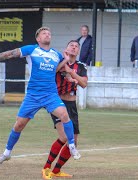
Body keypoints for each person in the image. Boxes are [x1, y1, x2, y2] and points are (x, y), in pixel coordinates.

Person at [0, 27, 81, 168]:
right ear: (38, 38)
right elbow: (9, 54)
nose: (47, 34)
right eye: (44, 33)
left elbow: (62, 70)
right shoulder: (31, 50)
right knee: (19, 125)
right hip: (33, 95)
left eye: (49, 33)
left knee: (64, 115)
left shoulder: (56, 54)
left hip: (50, 94)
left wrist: (69, 76)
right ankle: (7, 153)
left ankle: (72, 146)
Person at [41, 40, 88, 180]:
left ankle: (56, 170)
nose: (73, 48)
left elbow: (84, 83)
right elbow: (52, 71)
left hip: (72, 105)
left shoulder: (80, 66)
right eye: (71, 46)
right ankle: (46, 168)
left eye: (76, 46)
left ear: (78, 51)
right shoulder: (58, 62)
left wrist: (71, 73)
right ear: (66, 48)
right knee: (65, 137)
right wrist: (64, 66)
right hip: (57, 102)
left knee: (73, 141)